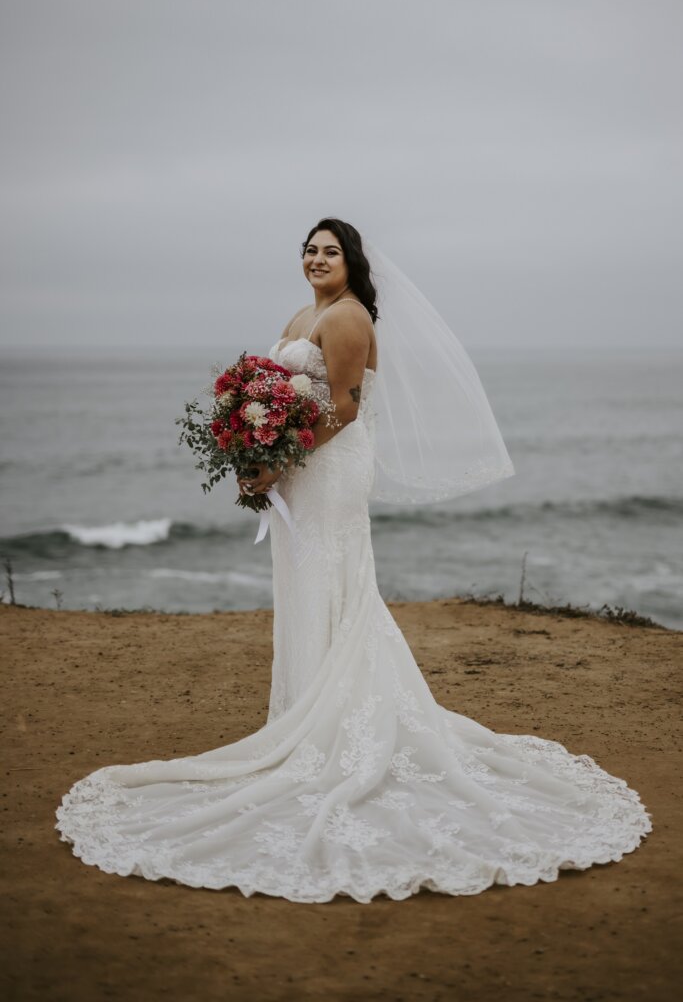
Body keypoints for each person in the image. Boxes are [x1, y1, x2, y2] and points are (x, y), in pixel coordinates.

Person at [55, 219, 651, 903]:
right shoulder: (303, 313)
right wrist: (252, 438)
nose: (315, 258)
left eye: (328, 251)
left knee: (332, 579)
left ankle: (337, 724)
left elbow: (339, 408)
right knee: (304, 583)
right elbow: (279, 388)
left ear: (351, 261)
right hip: (301, 466)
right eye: (308, 249)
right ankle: (304, 712)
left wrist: (274, 460)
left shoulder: (347, 319)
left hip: (330, 468)